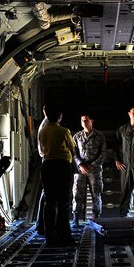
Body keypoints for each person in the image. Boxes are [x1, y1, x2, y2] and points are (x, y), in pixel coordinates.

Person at [38, 104, 76, 245]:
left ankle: (50, 237)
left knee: (49, 203)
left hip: (47, 166)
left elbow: (41, 151)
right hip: (62, 167)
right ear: (59, 116)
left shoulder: (42, 131)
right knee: (63, 203)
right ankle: (64, 235)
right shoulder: (64, 131)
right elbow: (72, 148)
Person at [72, 113, 106, 225]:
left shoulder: (100, 135)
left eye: (86, 120)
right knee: (77, 194)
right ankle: (76, 217)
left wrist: (93, 165)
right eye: (82, 120)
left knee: (96, 194)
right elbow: (74, 153)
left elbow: (103, 153)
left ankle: (96, 217)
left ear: (92, 121)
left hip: (94, 171)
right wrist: (80, 164)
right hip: (80, 171)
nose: (84, 122)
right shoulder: (77, 136)